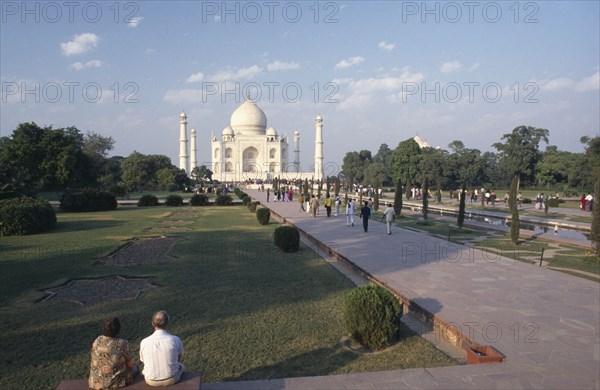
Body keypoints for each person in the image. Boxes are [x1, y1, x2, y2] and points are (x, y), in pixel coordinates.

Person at [89, 317, 138, 389]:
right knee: (135, 369)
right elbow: (131, 364)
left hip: (95, 382)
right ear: (118, 329)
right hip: (116, 383)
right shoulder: (122, 343)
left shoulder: (97, 340)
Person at [140, 311, 185, 387]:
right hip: (172, 378)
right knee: (182, 366)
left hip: (150, 380)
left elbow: (143, 360)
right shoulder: (175, 339)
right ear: (167, 323)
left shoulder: (144, 342)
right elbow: (178, 357)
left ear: (152, 323)